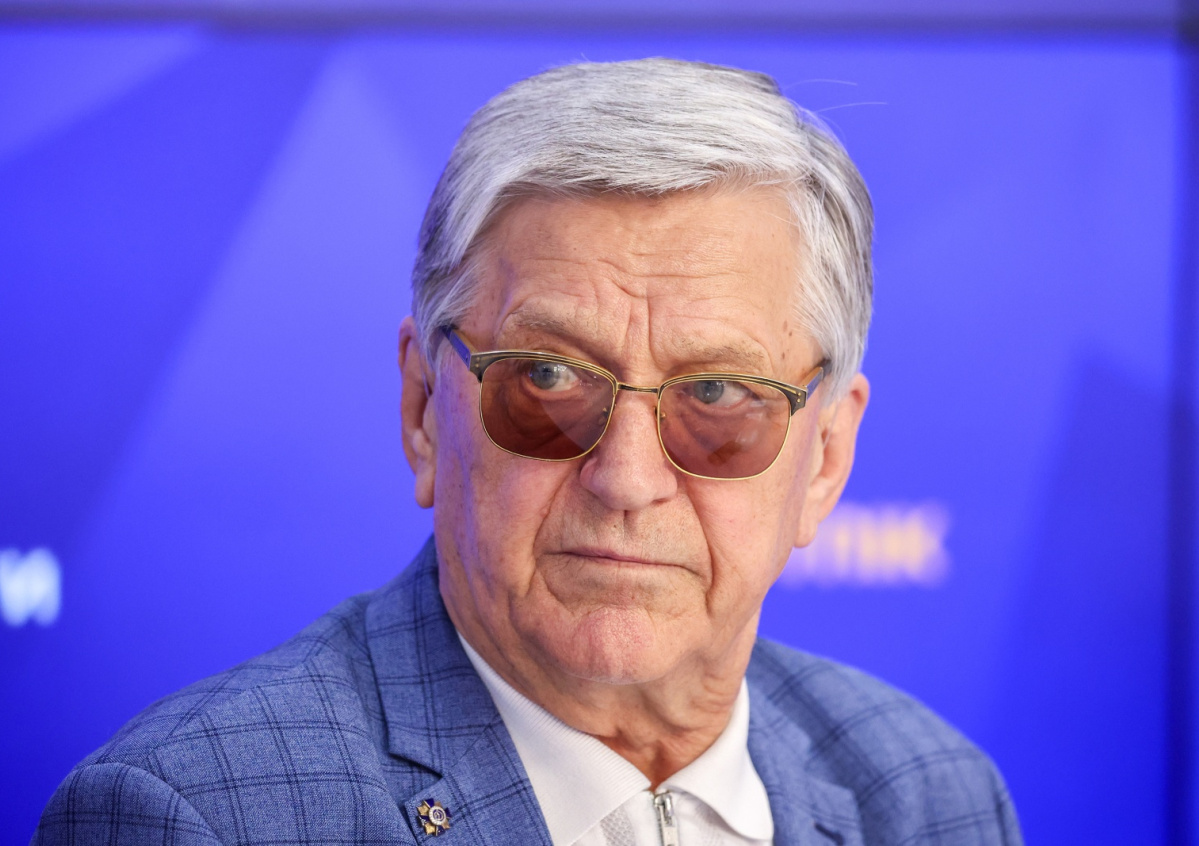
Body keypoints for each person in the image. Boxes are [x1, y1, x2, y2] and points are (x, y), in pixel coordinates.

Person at [35, 58, 1021, 845]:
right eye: (548, 379)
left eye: (717, 395)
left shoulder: (930, 799)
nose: (627, 479)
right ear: (426, 409)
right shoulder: (197, 816)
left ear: (826, 458)